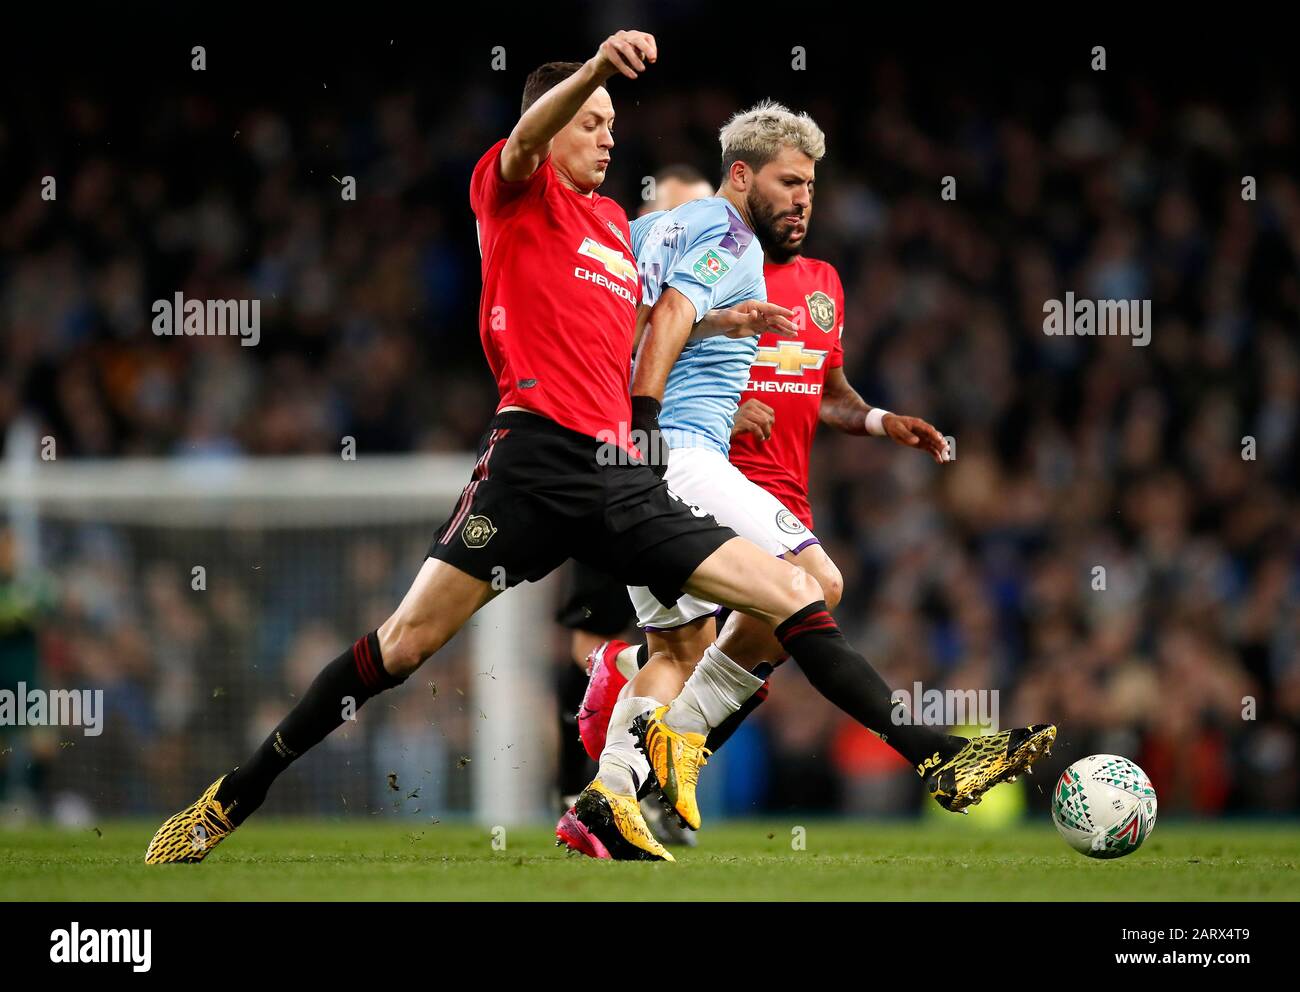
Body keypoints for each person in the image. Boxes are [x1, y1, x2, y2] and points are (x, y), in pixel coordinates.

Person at [147, 32, 1052, 867]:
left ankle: (934, 758)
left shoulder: (617, 231)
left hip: (618, 474)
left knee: (793, 591)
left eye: (613, 124)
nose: (605, 136)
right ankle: (238, 790)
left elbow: (631, 335)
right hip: (531, 461)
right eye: (592, 122)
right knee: (405, 645)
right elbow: (527, 138)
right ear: (554, 123)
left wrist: (730, 331)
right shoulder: (513, 192)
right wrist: (591, 71)